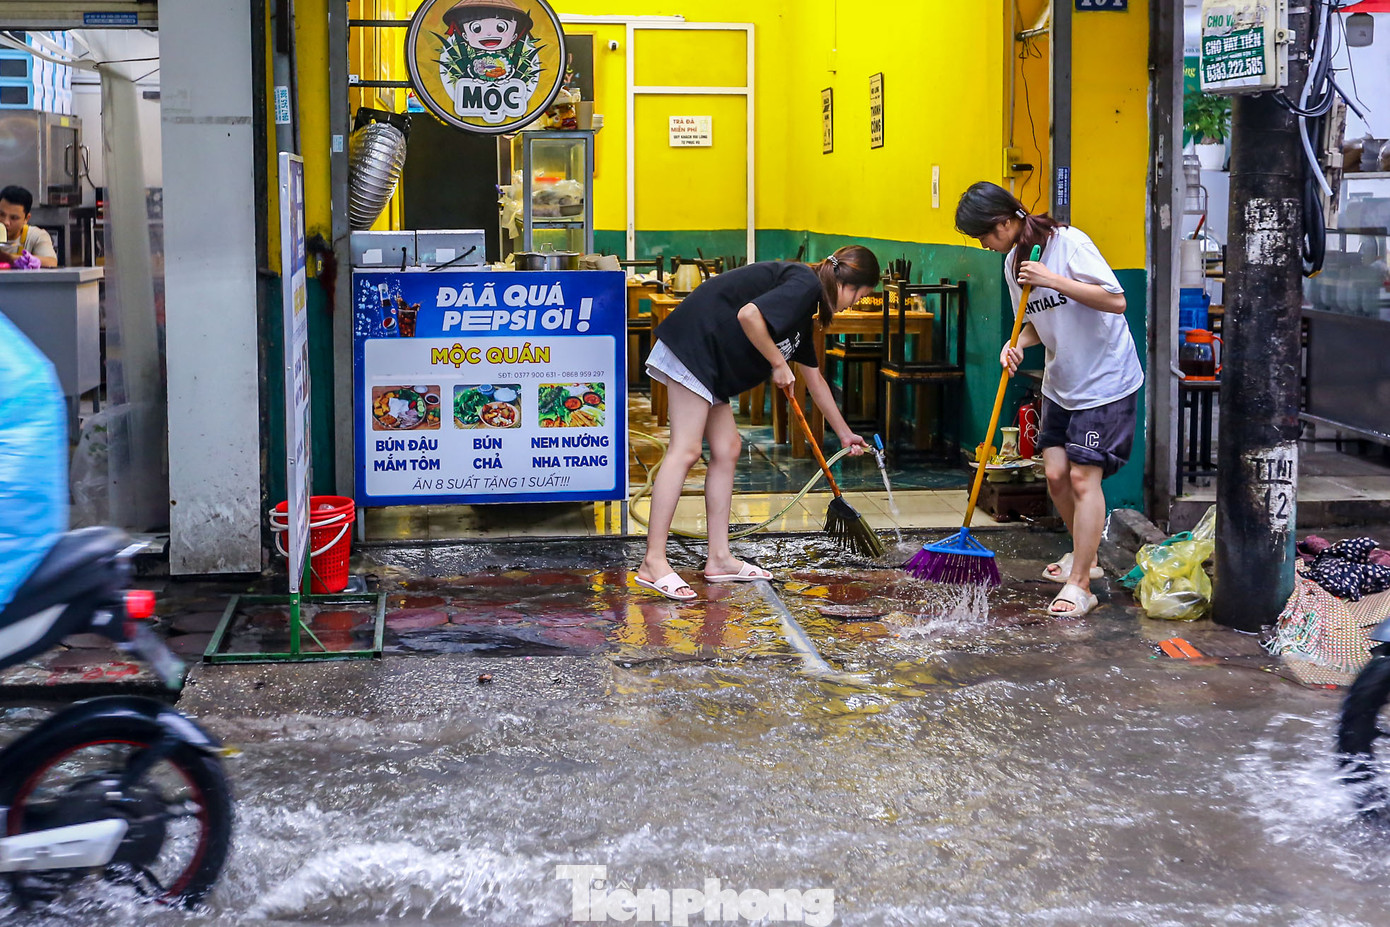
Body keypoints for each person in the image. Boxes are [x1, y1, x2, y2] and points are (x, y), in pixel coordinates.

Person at [636, 246, 879, 601]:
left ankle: (718, 558)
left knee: (728, 448)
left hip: (712, 363)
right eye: (859, 295)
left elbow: (815, 380)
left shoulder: (805, 310)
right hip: (696, 346)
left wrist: (844, 433)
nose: (853, 304)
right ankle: (653, 562)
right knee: (686, 450)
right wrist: (778, 363)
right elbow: (749, 315)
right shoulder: (804, 284)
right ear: (846, 281)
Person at [955, 181, 1143, 618]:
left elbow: (1116, 301)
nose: (983, 244)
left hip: (1106, 379)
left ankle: (1081, 583)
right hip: (1063, 381)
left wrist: (1052, 279)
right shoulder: (1012, 264)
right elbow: (1035, 322)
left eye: (984, 234)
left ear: (1005, 221)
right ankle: (1086, 556)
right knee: (1056, 476)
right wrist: (1015, 343)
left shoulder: (1069, 245)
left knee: (1082, 478)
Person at [0, 185, 58, 268]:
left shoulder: (35, 236)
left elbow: (51, 262)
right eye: (1, 215)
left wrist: (11, 259)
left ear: (26, 219)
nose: (6, 222)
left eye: (14, 218)